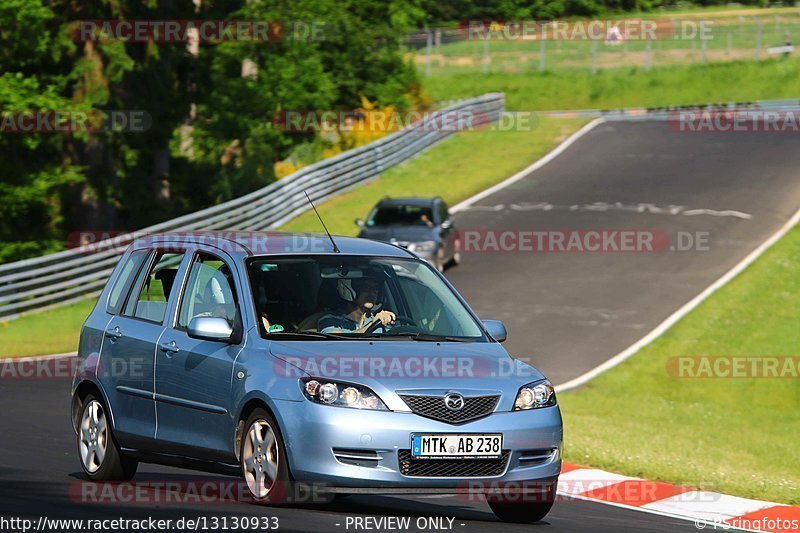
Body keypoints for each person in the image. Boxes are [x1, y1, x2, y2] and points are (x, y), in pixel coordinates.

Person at [318, 275, 396, 334]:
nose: (371, 293)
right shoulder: (331, 320)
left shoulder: (380, 322)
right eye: (365, 288)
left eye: (375, 289)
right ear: (348, 290)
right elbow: (340, 343)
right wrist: (373, 325)